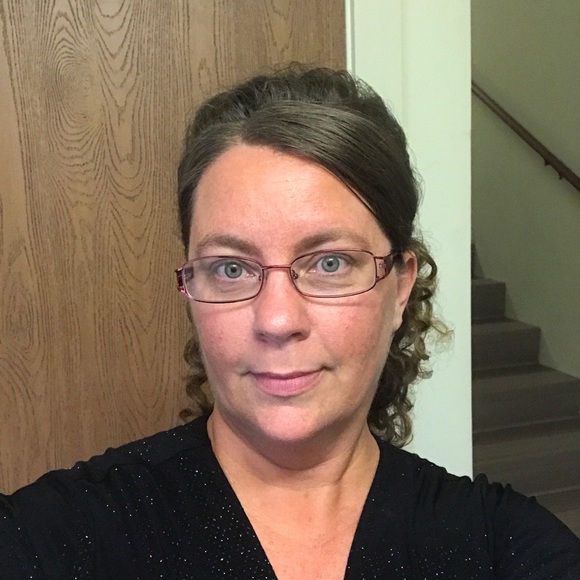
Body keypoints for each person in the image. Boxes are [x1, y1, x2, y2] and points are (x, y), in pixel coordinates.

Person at [0, 65, 578, 579]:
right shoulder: (55, 535)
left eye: (330, 263)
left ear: (400, 287)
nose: (277, 319)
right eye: (230, 268)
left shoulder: (504, 547)